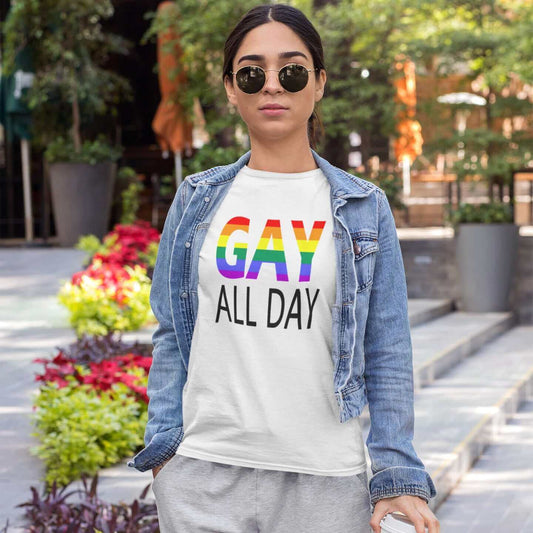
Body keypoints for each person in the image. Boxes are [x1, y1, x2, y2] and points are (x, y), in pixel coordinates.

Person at [128, 4, 439, 533]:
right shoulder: (196, 200)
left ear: (318, 83)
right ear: (231, 88)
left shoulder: (364, 207)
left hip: (324, 483)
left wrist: (398, 476)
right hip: (204, 476)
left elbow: (387, 348)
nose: (271, 86)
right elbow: (172, 335)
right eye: (252, 73)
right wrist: (166, 455)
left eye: (291, 71)